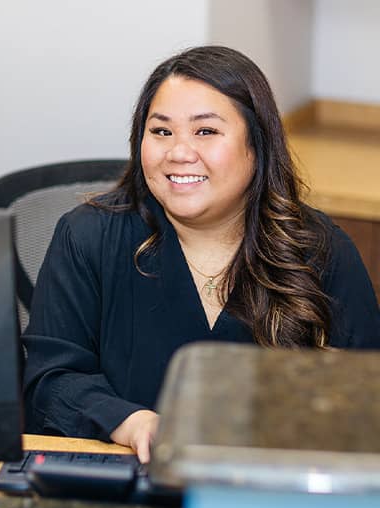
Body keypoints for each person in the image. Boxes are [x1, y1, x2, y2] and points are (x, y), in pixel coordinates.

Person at [23, 45, 380, 463]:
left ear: (257, 145)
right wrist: (128, 422)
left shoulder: (320, 250)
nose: (179, 152)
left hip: (268, 483)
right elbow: (51, 379)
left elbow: (365, 397)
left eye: (206, 131)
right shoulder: (89, 236)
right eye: (161, 132)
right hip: (120, 476)